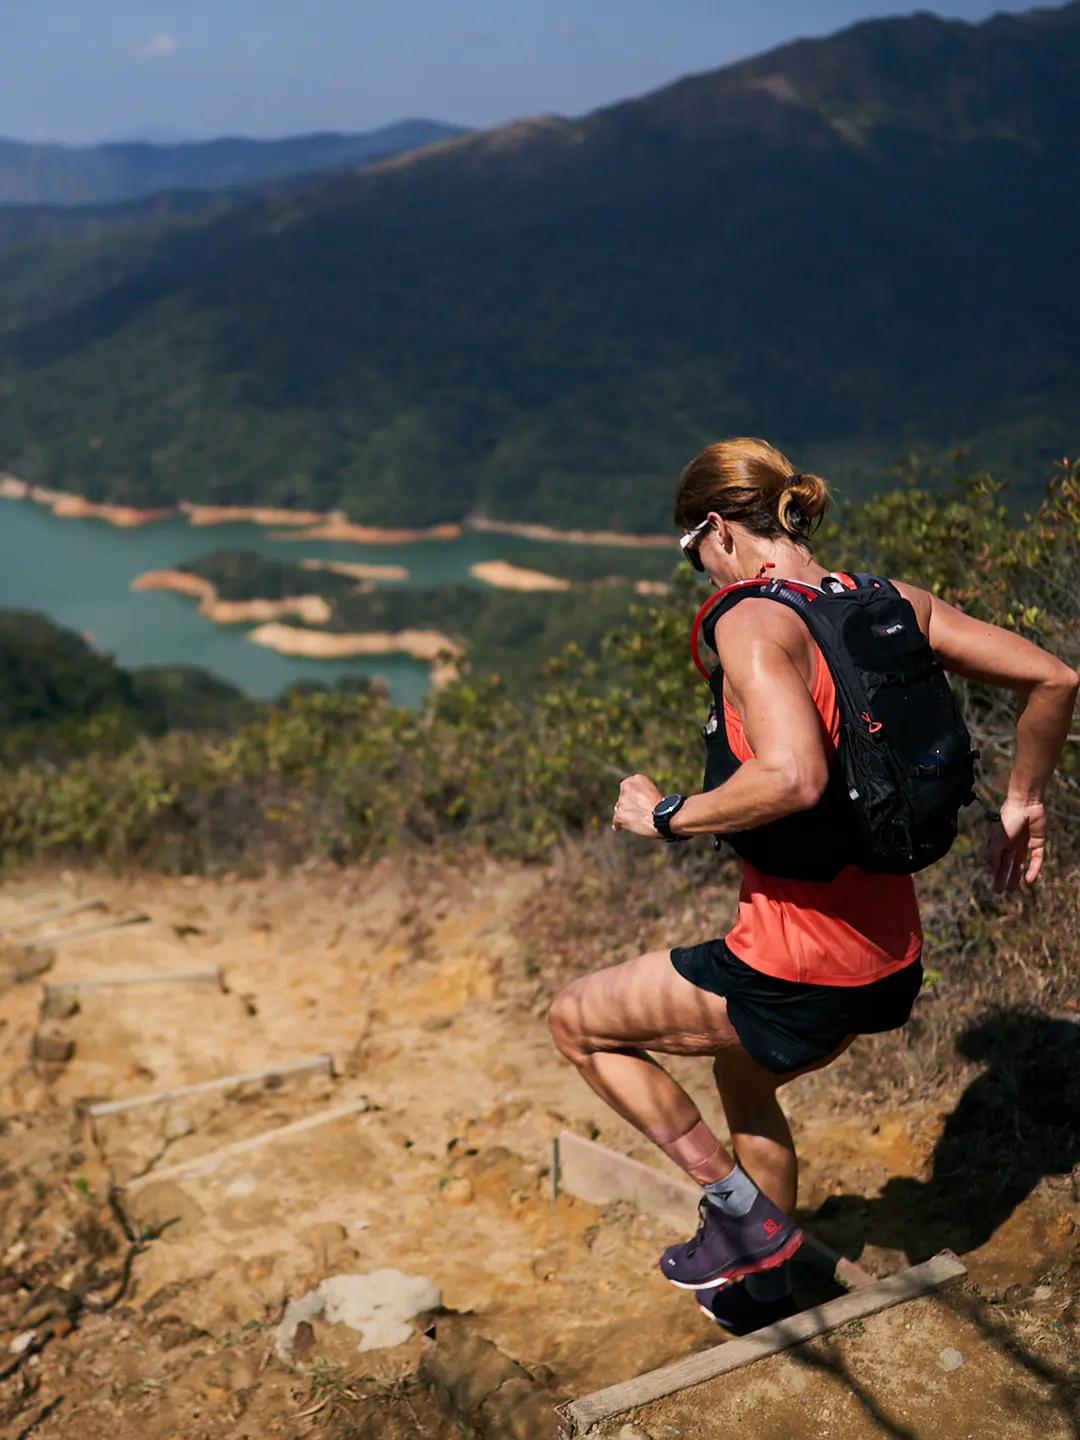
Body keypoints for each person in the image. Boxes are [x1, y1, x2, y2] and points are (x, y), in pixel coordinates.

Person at [548, 437, 1079, 1334]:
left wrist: (665, 814)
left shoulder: (747, 622)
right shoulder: (885, 601)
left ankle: (738, 1211)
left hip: (793, 968)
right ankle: (761, 1289)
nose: (697, 572)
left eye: (691, 553)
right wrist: (1021, 800)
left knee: (574, 1023)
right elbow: (1055, 675)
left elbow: (792, 778)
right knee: (742, 1081)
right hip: (888, 963)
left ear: (716, 529)